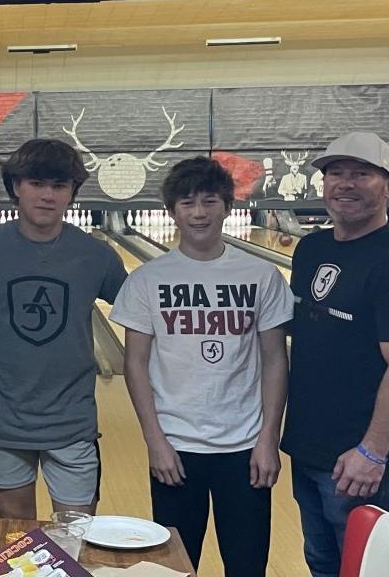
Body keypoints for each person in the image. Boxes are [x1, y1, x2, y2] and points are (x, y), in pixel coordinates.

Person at [110, 157, 291, 574]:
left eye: (210, 201)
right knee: (174, 568)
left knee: (247, 566)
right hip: (175, 448)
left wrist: (268, 439)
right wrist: (155, 441)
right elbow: (134, 364)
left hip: (244, 449)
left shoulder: (262, 275)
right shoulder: (147, 279)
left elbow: (274, 359)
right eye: (188, 202)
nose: (199, 212)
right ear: (172, 210)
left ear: (227, 207)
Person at [0, 139, 127, 520]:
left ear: (72, 193)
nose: (47, 195)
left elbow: (141, 315)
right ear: (16, 186)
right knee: (20, 546)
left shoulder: (97, 256)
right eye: (36, 183)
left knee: (76, 545)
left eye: (59, 185)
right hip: (4, 424)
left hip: (73, 424)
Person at [281, 131, 389, 577]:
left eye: (362, 174)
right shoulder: (311, 249)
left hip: (361, 460)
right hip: (308, 447)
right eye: (336, 173)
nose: (345, 183)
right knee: (322, 562)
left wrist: (372, 452)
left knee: (366, 570)